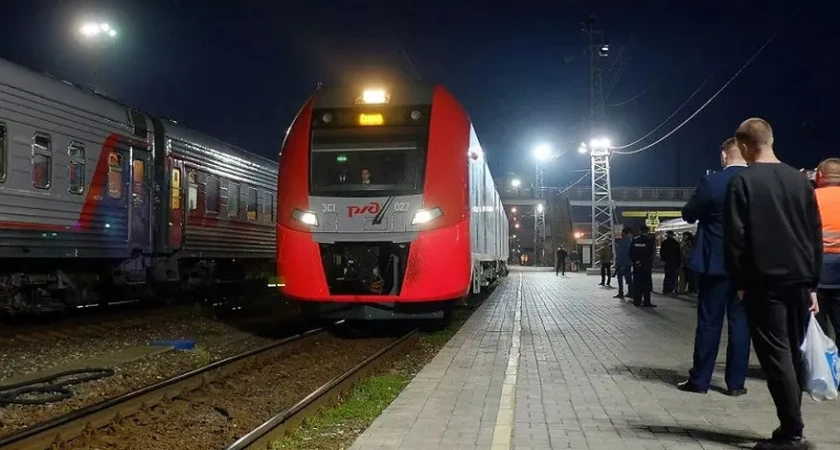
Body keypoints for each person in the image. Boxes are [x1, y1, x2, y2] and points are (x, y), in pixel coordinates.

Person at [724, 118, 821, 450]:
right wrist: (812, 284)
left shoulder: (743, 181)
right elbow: (814, 234)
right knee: (792, 353)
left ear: (747, 146)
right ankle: (790, 426)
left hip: (763, 281)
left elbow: (736, 236)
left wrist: (739, 281)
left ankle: (792, 431)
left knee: (775, 354)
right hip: (799, 280)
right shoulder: (799, 180)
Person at [677, 137, 751, 397]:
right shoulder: (757, 181)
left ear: (724, 155)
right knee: (741, 325)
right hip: (749, 268)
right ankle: (736, 384)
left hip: (715, 265)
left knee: (709, 323)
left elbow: (689, 213)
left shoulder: (713, 182)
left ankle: (700, 381)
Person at [815, 157, 840, 342]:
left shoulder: (811, 198)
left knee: (818, 328)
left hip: (818, 271)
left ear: (820, 176)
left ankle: (822, 368)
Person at [630, 225, 656, 307]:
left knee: (637, 283)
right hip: (646, 266)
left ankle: (637, 301)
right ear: (647, 232)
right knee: (646, 284)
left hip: (637, 266)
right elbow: (651, 253)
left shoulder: (635, 240)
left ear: (640, 231)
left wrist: (635, 261)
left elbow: (631, 252)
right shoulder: (650, 241)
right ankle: (646, 302)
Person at [613, 228, 633, 300]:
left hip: (622, 262)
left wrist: (617, 261)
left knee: (620, 279)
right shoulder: (630, 241)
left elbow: (621, 252)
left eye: (622, 233)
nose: (621, 234)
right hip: (628, 263)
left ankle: (621, 292)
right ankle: (630, 292)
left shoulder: (624, 241)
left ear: (625, 233)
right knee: (629, 279)